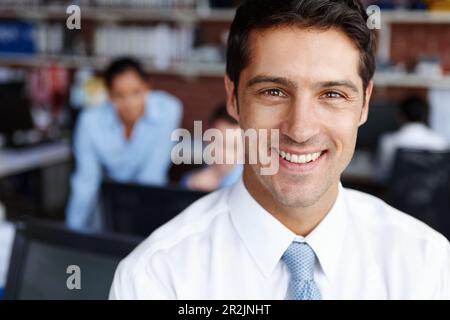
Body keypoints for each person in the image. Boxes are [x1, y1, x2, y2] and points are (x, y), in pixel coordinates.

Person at [110, 0, 450, 300]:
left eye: (332, 94)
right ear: (233, 97)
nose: (300, 130)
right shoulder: (156, 280)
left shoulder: (427, 266)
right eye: (273, 91)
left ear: (364, 105)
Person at [66, 57, 182, 230]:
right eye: (119, 96)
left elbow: (152, 175)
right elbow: (86, 181)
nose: (129, 104)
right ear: (109, 95)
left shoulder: (168, 110)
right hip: (109, 203)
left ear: (147, 87)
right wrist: (72, 233)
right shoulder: (90, 121)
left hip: (150, 201)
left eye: (136, 92)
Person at [376, 96, 448, 182]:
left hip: (399, 194)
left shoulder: (389, 141)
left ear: (400, 116)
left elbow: (381, 175)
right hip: (436, 194)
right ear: (426, 115)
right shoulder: (441, 142)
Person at [180, 103, 243, 192]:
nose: (223, 154)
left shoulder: (252, 188)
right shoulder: (191, 180)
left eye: (233, 147)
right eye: (217, 142)